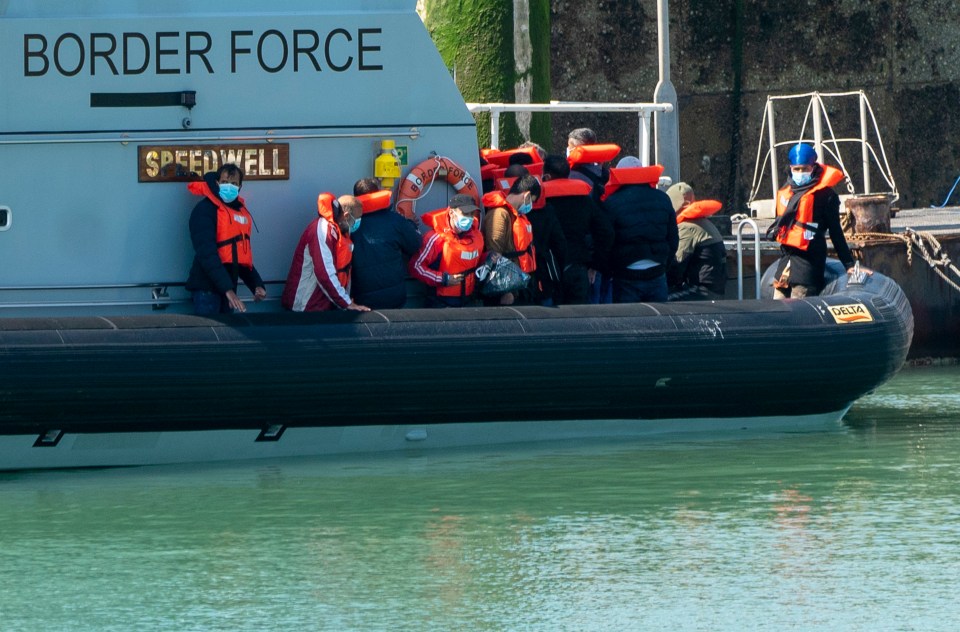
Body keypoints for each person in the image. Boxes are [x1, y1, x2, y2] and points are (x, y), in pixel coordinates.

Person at [767, 143, 868, 298]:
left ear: (813, 167)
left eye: (805, 169)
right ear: (791, 168)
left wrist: (849, 264)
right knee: (777, 307)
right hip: (786, 266)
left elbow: (836, 232)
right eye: (797, 169)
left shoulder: (826, 196)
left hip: (808, 267)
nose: (801, 173)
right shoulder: (787, 191)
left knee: (798, 312)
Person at [185, 164, 267, 314]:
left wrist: (256, 284)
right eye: (224, 182)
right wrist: (228, 290)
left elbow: (238, 255)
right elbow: (207, 254)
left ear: (240, 187)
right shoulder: (204, 210)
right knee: (209, 335)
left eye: (234, 184)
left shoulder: (238, 213)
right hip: (207, 290)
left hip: (228, 291)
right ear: (217, 183)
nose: (229, 187)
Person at [601, 156, 679, 303]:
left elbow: (606, 240)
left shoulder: (612, 202)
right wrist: (663, 263)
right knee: (659, 321)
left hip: (625, 273)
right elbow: (673, 238)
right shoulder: (663, 198)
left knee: (629, 322)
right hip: (657, 270)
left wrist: (610, 269)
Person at [541, 154, 614, 304]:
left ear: (546, 176)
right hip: (578, 267)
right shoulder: (584, 200)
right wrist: (595, 265)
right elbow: (606, 232)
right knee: (581, 320)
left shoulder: (541, 202)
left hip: (548, 270)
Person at [281, 193, 370, 312]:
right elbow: (324, 272)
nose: (357, 224)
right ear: (346, 216)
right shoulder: (322, 230)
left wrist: (345, 301)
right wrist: (347, 303)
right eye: (357, 220)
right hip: (305, 307)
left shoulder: (340, 232)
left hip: (324, 306)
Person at [348, 177, 421, 309]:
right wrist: (410, 225)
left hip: (361, 301)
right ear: (379, 193)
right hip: (394, 299)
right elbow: (414, 245)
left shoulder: (349, 225)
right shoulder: (396, 221)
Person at [409, 194, 485, 308]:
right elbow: (416, 267)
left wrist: (489, 258)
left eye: (471, 214)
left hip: (469, 300)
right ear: (451, 213)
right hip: (441, 303)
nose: (469, 218)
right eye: (465, 213)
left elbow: (477, 261)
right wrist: (443, 279)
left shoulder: (476, 236)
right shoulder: (435, 238)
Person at [480, 174, 540, 305]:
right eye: (532, 201)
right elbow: (494, 252)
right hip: (507, 287)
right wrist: (505, 291)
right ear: (527, 196)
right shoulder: (499, 214)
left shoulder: (516, 215)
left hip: (518, 282)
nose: (531, 206)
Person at [666, 182, 728, 301]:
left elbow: (676, 267)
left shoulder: (686, 227)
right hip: (714, 291)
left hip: (700, 292)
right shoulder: (704, 223)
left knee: (659, 302)